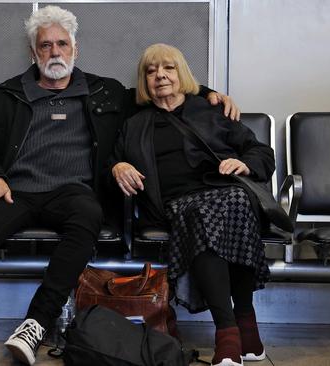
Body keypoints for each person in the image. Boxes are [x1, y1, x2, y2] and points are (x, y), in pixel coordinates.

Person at [0, 7, 239, 366]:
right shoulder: (4, 96)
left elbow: (162, 90)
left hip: (74, 192)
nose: (55, 52)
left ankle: (36, 323)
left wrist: (208, 93)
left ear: (75, 49)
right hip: (16, 190)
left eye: (62, 44)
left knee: (87, 216)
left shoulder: (107, 92)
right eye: (45, 46)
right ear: (33, 53)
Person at [109, 43, 273, 366]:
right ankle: (237, 331)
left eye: (168, 68)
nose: (160, 76)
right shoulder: (134, 124)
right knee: (205, 211)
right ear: (144, 81)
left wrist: (244, 165)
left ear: (180, 73)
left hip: (227, 195)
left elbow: (261, 152)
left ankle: (238, 328)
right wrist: (118, 166)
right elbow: (113, 162)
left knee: (233, 202)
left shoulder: (211, 111)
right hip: (174, 204)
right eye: (151, 71)